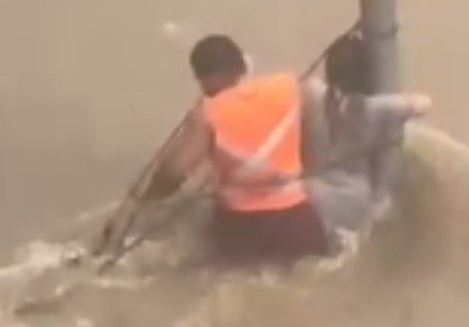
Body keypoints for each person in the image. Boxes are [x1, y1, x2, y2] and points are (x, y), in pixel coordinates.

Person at [139, 34, 331, 265]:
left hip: (241, 227)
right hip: (297, 222)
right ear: (242, 64)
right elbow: (311, 141)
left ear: (203, 78)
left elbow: (175, 171)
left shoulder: (207, 113)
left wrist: (146, 200)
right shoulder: (291, 87)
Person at [300, 30, 432, 237]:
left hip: (311, 193)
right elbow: (424, 105)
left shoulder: (312, 92)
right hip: (353, 200)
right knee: (384, 209)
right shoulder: (370, 108)